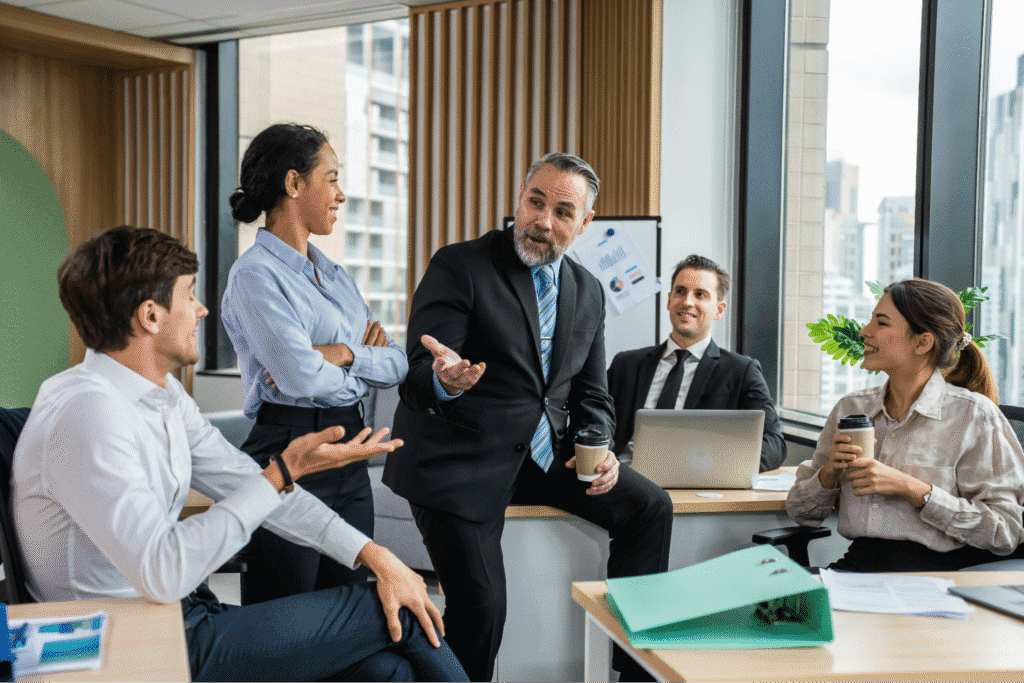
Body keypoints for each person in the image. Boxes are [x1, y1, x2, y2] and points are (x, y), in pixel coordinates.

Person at [12, 226, 467, 683]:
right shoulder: (89, 413)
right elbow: (164, 570)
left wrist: (373, 554)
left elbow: (248, 482)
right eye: (189, 295)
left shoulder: (161, 395)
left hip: (181, 614)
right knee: (401, 611)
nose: (202, 310)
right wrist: (281, 473)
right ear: (150, 316)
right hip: (134, 641)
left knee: (386, 671)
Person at [383, 152, 673, 682]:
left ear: (584, 224)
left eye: (563, 212)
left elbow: (593, 395)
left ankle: (630, 669)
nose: (543, 220)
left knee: (650, 507)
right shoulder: (461, 265)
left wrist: (601, 444)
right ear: (520, 195)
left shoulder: (587, 291)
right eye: (535, 201)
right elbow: (419, 370)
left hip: (540, 458)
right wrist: (444, 380)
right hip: (459, 463)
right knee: (484, 609)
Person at [221, 123, 408, 604]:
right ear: (293, 184)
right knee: (284, 617)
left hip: (350, 454)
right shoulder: (254, 276)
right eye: (332, 178)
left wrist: (345, 354)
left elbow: (396, 365)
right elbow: (299, 375)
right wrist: (359, 367)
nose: (341, 194)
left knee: (346, 610)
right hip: (288, 447)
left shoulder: (335, 276)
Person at [786, 278, 1024, 572]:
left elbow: (1006, 531)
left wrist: (914, 490)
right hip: (858, 567)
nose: (864, 331)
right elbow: (800, 512)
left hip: (935, 578)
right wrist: (829, 474)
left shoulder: (974, 416)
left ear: (922, 342)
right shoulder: (851, 409)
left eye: (881, 323)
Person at [607, 254, 786, 471]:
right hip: (622, 478)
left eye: (700, 294)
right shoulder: (625, 365)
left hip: (695, 484)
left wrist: (715, 467)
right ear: (669, 300)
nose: (687, 302)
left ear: (719, 310)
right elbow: (593, 422)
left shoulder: (741, 371)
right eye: (680, 292)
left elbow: (774, 444)